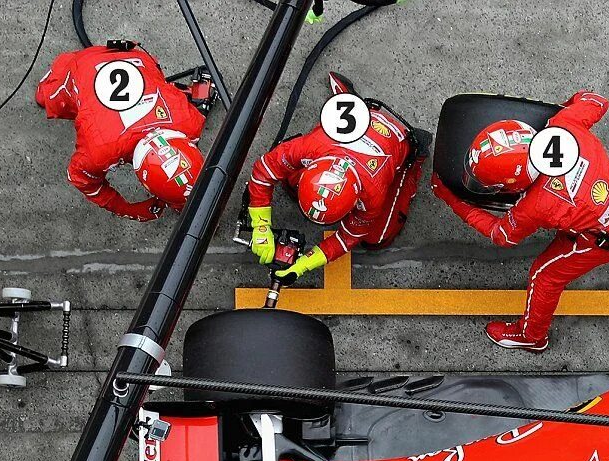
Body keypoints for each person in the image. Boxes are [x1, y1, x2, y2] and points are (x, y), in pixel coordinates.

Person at [436, 92, 609, 352]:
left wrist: (453, 201)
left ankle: (532, 337)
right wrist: (565, 107)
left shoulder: (532, 207)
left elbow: (502, 235)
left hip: (604, 239)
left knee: (544, 276)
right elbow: (596, 100)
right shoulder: (564, 125)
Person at [245, 74, 429, 283]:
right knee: (289, 181)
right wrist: (260, 225)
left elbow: (349, 236)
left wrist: (306, 263)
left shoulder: (372, 194)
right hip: (350, 130)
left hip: (397, 138)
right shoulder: (307, 147)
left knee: (376, 239)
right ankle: (352, 102)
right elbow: (262, 172)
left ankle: (417, 153)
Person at [34, 40, 207, 220]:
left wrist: (201, 91)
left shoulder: (191, 121)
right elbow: (79, 177)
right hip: (83, 63)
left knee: (159, 79)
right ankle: (51, 82)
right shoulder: (101, 151)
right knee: (46, 98)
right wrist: (125, 209)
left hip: (136, 56)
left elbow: (171, 91)